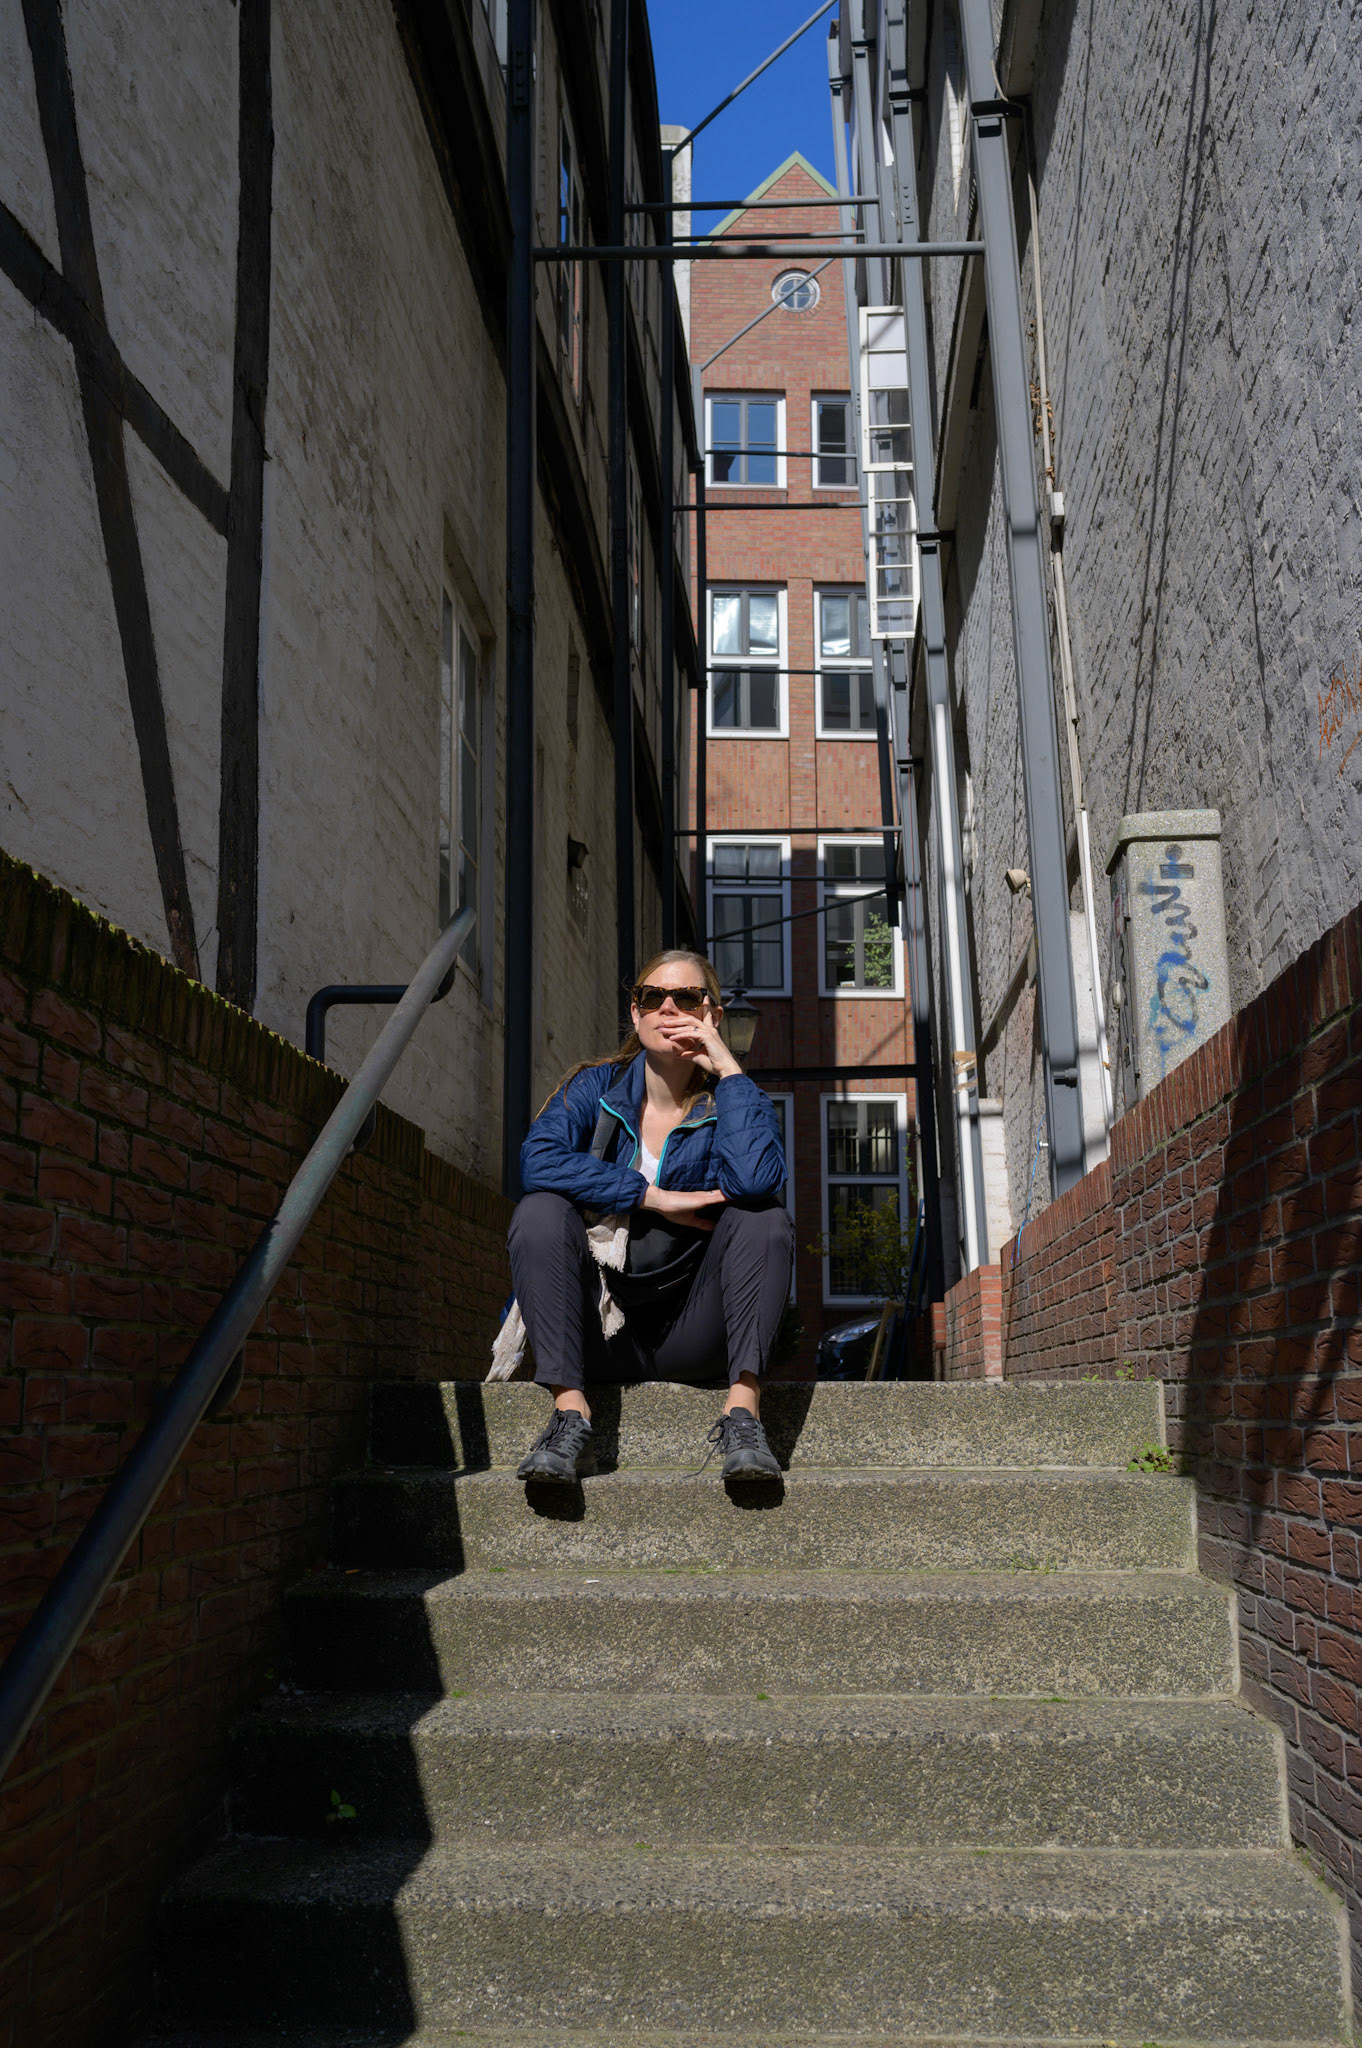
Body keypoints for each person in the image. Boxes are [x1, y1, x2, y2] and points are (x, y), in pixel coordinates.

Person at [507, 949, 794, 1483]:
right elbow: (536, 1161)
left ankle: (743, 1415)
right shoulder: (594, 1088)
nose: (667, 1007)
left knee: (764, 1218)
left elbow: (756, 1181)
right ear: (635, 1012)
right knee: (539, 1209)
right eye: (651, 996)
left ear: (712, 1015)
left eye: (685, 997)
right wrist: (649, 1196)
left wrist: (729, 1071)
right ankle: (570, 1415)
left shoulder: (733, 1100)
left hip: (696, 1327)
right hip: (600, 1328)